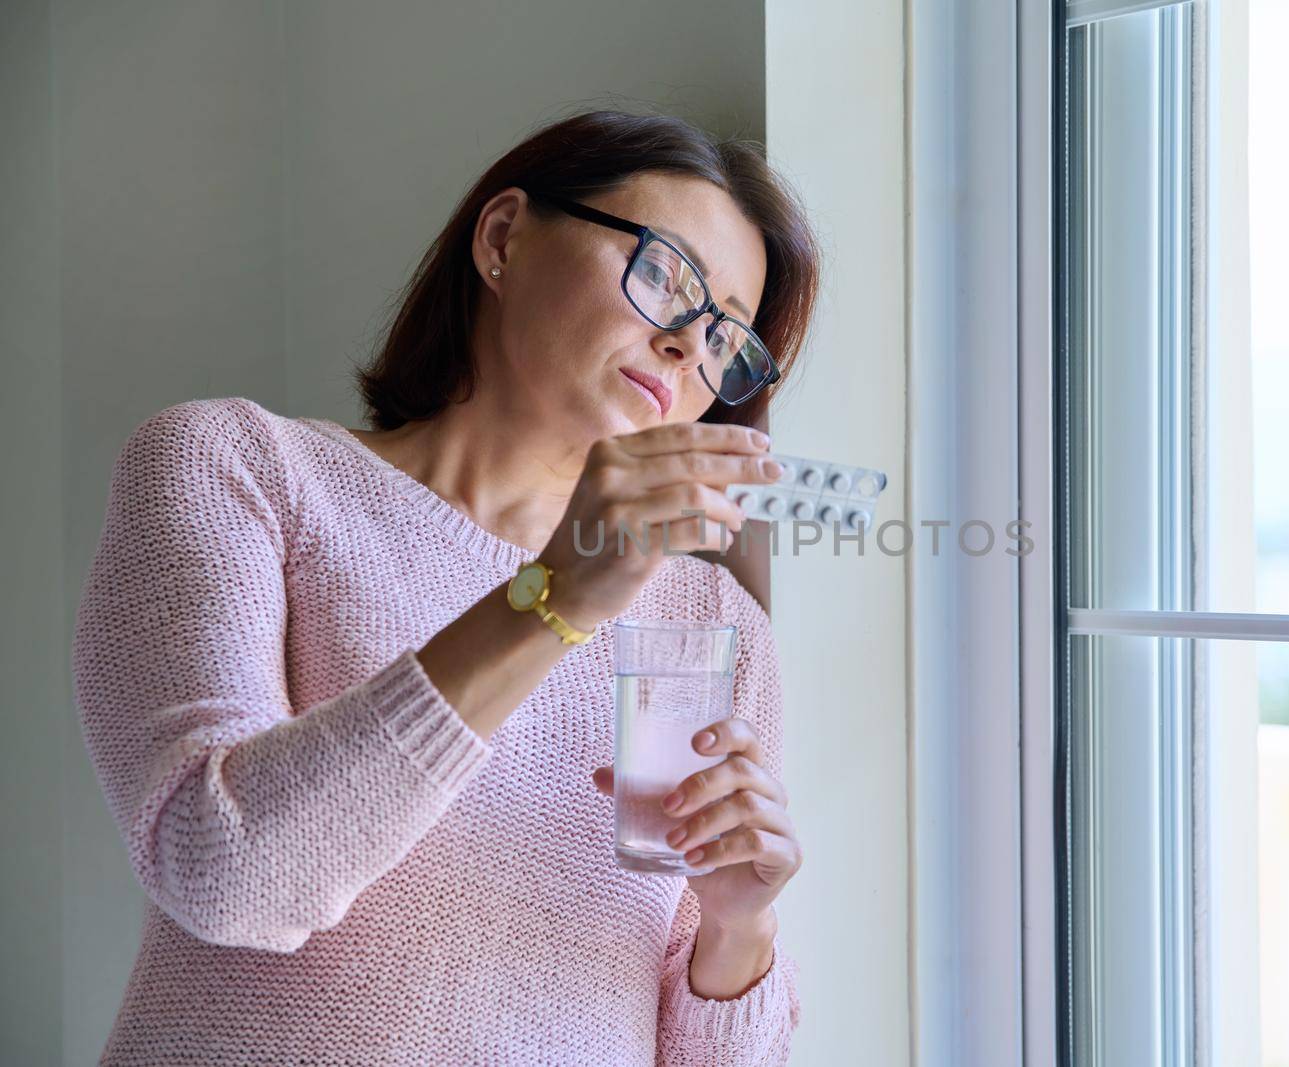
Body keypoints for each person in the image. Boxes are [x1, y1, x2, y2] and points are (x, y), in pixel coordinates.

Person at [71, 107, 820, 1065]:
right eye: (666, 276)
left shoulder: (716, 623)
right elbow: (229, 877)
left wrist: (739, 926)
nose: (687, 347)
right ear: (503, 237)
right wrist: (553, 596)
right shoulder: (237, 468)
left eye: (727, 336)